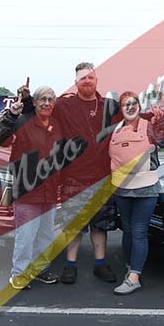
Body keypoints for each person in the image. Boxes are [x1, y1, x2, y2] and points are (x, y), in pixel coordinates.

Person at [51, 62, 120, 285]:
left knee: (101, 225)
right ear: (76, 82)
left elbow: (134, 114)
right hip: (73, 177)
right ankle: (70, 265)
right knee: (74, 225)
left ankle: (100, 263)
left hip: (102, 177)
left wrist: (155, 115)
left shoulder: (110, 106)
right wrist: (22, 102)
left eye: (90, 77)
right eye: (83, 78)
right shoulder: (63, 105)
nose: (87, 81)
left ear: (97, 80)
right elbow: (40, 107)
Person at [109, 92, 164, 295]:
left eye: (133, 103)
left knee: (139, 231)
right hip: (121, 187)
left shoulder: (149, 127)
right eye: (125, 104)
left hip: (146, 186)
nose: (130, 107)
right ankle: (131, 266)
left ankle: (134, 277)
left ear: (139, 106)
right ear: (121, 109)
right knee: (127, 230)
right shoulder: (115, 130)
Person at [0, 85, 63, 290]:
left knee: (46, 236)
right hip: (27, 191)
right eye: (42, 99)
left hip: (50, 190)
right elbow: (2, 140)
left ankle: (40, 270)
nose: (46, 103)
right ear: (34, 102)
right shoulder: (22, 121)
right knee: (25, 237)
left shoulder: (57, 124)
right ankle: (19, 273)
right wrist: (11, 115)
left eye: (50, 99)